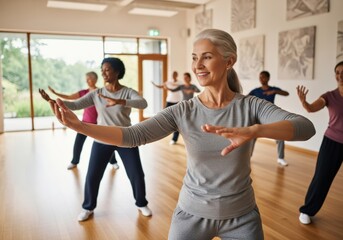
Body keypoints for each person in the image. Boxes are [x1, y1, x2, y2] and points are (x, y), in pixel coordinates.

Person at [41, 29, 315, 239]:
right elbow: (133, 135)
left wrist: (256, 130)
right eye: (195, 57)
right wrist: (80, 126)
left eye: (207, 56)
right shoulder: (183, 110)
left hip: (242, 216)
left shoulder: (251, 106)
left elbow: (305, 126)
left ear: (229, 60)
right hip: (191, 215)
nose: (198, 65)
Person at [40, 57, 152, 221]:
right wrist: (53, 100)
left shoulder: (127, 91)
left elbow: (143, 103)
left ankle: (141, 203)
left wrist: (120, 101)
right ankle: (88, 207)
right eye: (102, 70)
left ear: (117, 71)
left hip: (126, 138)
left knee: (136, 174)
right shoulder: (97, 93)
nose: (103, 73)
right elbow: (76, 105)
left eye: (107, 69)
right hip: (102, 139)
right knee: (93, 175)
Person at [297, 61, 343, 225]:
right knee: (322, 178)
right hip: (332, 143)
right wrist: (304, 102)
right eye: (337, 72)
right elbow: (311, 108)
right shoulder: (329, 96)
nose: (341, 75)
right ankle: (306, 210)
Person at [48, 72, 119, 170]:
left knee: (106, 143)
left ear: (95, 80)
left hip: (99, 124)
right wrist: (55, 93)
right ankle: (74, 161)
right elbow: (69, 97)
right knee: (78, 143)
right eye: (86, 79)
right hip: (84, 123)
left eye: (89, 79)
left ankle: (113, 161)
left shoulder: (101, 92)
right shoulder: (83, 92)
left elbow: (111, 104)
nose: (87, 81)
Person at [248, 71, 290, 166]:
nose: (261, 79)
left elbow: (286, 93)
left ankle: (280, 158)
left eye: (263, 77)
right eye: (260, 77)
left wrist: (275, 91)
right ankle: (248, 156)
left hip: (271, 116)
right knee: (252, 137)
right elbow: (245, 98)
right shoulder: (255, 91)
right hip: (257, 117)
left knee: (280, 136)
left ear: (268, 78)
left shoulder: (273, 89)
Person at [152, 71, 182, 145]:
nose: (174, 75)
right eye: (173, 74)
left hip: (177, 101)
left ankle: (174, 139)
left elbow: (178, 89)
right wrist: (154, 84)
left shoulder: (180, 82)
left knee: (176, 120)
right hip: (169, 100)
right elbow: (161, 86)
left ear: (177, 75)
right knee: (164, 115)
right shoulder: (168, 82)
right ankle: (160, 131)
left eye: (175, 74)